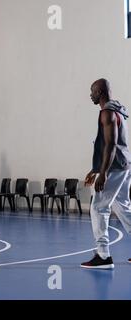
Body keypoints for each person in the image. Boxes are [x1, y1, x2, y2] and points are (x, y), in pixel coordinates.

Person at [82, 79, 131, 269]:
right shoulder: (117, 111)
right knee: (122, 208)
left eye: (92, 91)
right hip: (124, 165)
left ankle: (103, 256)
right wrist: (95, 170)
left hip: (115, 169)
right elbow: (108, 146)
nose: (91, 95)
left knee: (98, 208)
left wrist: (102, 174)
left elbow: (111, 145)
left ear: (100, 92)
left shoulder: (107, 113)